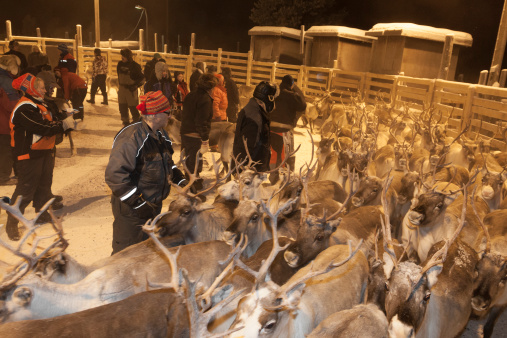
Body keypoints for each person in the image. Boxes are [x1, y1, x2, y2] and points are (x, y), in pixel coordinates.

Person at [105, 90, 188, 254]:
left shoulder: (162, 135)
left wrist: (181, 180)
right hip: (132, 210)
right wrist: (139, 204)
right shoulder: (131, 138)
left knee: (145, 253)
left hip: (152, 207)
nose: (170, 116)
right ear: (156, 115)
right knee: (126, 254)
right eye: (167, 112)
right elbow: (115, 176)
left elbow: (168, 165)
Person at [5, 73, 77, 241]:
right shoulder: (24, 107)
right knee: (26, 189)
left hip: (44, 150)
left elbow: (52, 118)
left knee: (44, 184)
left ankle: (42, 213)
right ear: (31, 89)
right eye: (42, 88)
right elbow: (42, 126)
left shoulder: (40, 103)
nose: (46, 90)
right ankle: (12, 223)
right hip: (28, 154)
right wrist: (62, 124)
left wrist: (65, 116)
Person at [180, 73, 217, 191]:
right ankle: (192, 187)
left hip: (185, 132)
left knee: (189, 159)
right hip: (195, 135)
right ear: (210, 87)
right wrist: (205, 139)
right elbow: (202, 121)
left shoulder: (191, 95)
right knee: (195, 162)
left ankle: (191, 180)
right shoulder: (205, 99)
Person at [232, 81, 279, 172]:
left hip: (246, 165)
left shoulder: (251, 109)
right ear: (269, 98)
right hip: (251, 169)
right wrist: (250, 169)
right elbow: (250, 146)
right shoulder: (255, 118)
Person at [269, 75, 306, 182]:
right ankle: (286, 177)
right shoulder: (292, 96)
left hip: (271, 129)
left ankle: (273, 176)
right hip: (285, 129)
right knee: (288, 153)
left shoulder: (274, 94)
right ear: (291, 84)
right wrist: (295, 89)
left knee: (274, 153)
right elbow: (303, 106)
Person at [0, 55, 21, 186]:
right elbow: (11, 105)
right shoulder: (6, 82)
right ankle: (3, 177)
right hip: (5, 122)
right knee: (7, 150)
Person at [117, 48, 144, 127]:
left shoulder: (135, 66)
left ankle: (137, 123)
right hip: (122, 89)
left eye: (124, 56)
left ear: (128, 56)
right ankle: (125, 123)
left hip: (131, 90)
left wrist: (135, 85)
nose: (122, 57)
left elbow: (142, 78)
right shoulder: (120, 64)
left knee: (133, 108)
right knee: (122, 107)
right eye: (122, 56)